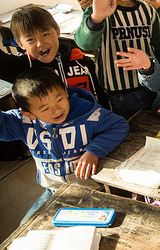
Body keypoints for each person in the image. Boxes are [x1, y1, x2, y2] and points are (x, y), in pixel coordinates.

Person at [0, 67, 128, 223]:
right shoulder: (23, 122)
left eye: (59, 99)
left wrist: (93, 152)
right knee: (25, 228)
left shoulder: (88, 114)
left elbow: (119, 125)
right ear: (29, 114)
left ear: (66, 92)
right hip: (54, 191)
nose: (57, 109)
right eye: (45, 108)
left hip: (92, 190)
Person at [0, 5, 108, 108]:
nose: (40, 43)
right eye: (30, 39)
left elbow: (101, 98)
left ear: (57, 31)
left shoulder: (83, 62)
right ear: (20, 44)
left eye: (45, 34)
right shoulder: (23, 68)